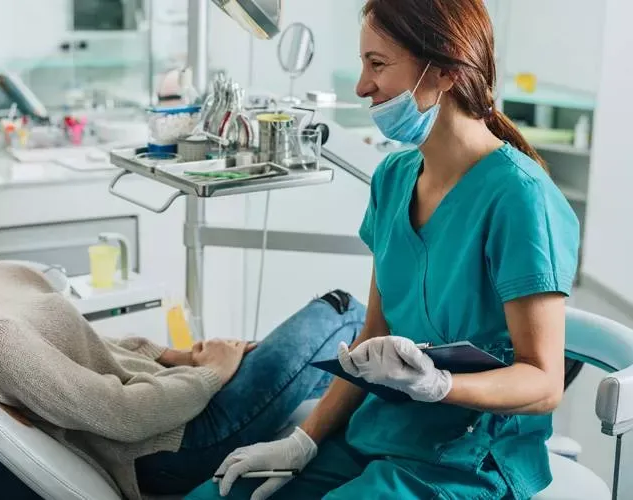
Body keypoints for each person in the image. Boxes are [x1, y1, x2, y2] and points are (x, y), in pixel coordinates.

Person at [188, 0, 580, 499]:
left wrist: (440, 386)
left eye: (377, 64)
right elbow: (374, 336)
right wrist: (301, 443)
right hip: (375, 435)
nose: (361, 85)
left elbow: (544, 383)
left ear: (443, 71)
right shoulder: (393, 178)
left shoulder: (520, 198)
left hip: (463, 461)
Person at [0, 174, 365, 500]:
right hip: (174, 447)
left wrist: (176, 354)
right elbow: (121, 415)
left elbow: (92, 348)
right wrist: (209, 373)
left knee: (326, 366)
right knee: (338, 313)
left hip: (173, 402)